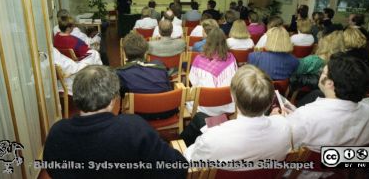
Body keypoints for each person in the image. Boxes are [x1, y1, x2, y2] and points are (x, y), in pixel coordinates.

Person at [43, 65, 187, 179]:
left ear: (76, 96)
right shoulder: (134, 128)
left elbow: (53, 170)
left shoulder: (57, 132)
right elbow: (176, 169)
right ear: (113, 99)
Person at [184, 65, 291, 166]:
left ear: (232, 96)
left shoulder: (211, 138)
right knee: (200, 117)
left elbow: (191, 159)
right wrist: (277, 119)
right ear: (270, 101)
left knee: (200, 118)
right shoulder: (284, 127)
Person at [280, 53, 369, 152]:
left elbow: (285, 143)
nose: (320, 74)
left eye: (322, 72)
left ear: (329, 83)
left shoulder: (306, 116)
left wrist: (284, 120)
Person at [188, 28, 237, 116]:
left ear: (208, 41)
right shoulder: (231, 58)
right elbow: (235, 79)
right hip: (227, 104)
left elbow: (193, 81)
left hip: (204, 106)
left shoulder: (199, 59)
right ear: (224, 41)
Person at [116, 32, 171, 96]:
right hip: (163, 104)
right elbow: (168, 91)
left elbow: (121, 98)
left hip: (136, 105)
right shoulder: (160, 67)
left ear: (124, 54)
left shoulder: (119, 73)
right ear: (145, 53)